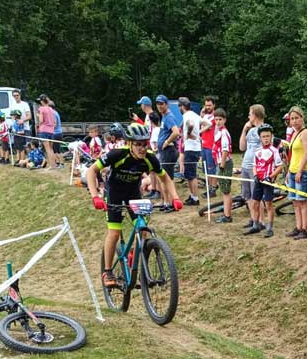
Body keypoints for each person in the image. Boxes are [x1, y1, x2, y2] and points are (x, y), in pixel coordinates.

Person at [86, 122, 180, 289]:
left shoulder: (150, 158)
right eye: (138, 144)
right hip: (113, 194)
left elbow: (165, 178)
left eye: (145, 144)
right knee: (114, 233)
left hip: (133, 195)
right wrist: (95, 196)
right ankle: (107, 271)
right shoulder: (118, 154)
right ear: (130, 144)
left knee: (142, 229)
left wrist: (175, 198)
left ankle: (133, 255)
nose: (142, 148)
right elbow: (91, 171)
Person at [285, 106, 307, 240]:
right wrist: (288, 171)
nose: (294, 121)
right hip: (292, 170)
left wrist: (300, 171)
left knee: (302, 202)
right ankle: (298, 227)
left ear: (302, 118)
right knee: (295, 202)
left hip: (303, 172)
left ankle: (305, 229)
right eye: (292, 119)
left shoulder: (305, 133)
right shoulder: (294, 133)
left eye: (297, 118)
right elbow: (293, 154)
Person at [248, 123, 282, 238]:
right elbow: (254, 165)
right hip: (259, 181)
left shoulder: (274, 151)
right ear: (260, 137)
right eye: (263, 136)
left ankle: (270, 228)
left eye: (268, 136)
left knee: (268, 204)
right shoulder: (257, 151)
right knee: (255, 203)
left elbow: (280, 166)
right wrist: (255, 175)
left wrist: (271, 176)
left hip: (268, 181)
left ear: (271, 136)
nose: (266, 138)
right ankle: (256, 225)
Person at [239, 104, 266, 229]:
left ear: (255, 115)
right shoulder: (250, 130)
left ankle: (261, 221)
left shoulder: (264, 130)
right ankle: (253, 218)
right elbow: (242, 147)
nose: (248, 116)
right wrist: (244, 130)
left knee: (257, 196)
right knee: (247, 195)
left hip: (256, 167)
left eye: (250, 114)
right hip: (245, 165)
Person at [212, 108, 234, 224]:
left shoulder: (224, 132)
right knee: (224, 190)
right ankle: (226, 213)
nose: (218, 122)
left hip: (224, 164)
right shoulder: (219, 131)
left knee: (226, 191)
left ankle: (227, 215)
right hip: (220, 162)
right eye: (216, 119)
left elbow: (225, 150)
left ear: (224, 120)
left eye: (220, 119)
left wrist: (222, 165)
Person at [178, 97, 201, 206]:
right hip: (193, 148)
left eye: (179, 106)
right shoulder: (195, 115)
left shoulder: (187, 115)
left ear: (182, 106)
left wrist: (188, 134)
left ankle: (195, 198)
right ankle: (192, 196)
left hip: (191, 148)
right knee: (189, 174)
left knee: (192, 175)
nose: (179, 108)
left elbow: (190, 124)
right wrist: (198, 134)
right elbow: (208, 124)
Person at [199, 96, 217, 195]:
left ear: (214, 105)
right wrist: (201, 115)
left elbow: (207, 126)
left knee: (211, 168)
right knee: (206, 169)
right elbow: (199, 124)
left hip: (211, 146)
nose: (208, 107)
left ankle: (213, 188)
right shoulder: (205, 116)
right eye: (206, 105)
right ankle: (210, 187)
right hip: (204, 145)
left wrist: (197, 132)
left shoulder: (215, 117)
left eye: (210, 105)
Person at [36, 95, 57, 169]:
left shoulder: (41, 108)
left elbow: (41, 120)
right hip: (51, 131)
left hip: (44, 130)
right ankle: (54, 165)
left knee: (47, 149)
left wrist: (38, 116)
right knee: (51, 149)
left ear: (42, 101)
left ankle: (51, 166)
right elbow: (55, 122)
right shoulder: (51, 109)